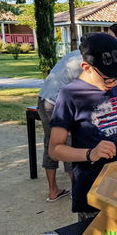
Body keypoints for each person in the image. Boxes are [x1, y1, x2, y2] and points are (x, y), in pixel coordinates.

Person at [49, 33, 117, 221]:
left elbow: (115, 125)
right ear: (86, 67)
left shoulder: (116, 87)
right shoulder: (70, 95)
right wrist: (90, 153)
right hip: (92, 186)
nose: (115, 83)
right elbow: (55, 149)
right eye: (109, 79)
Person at [38, 50, 83, 202]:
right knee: (69, 144)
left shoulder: (73, 54)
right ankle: (76, 189)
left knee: (50, 143)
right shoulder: (88, 62)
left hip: (43, 100)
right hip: (58, 104)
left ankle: (53, 191)